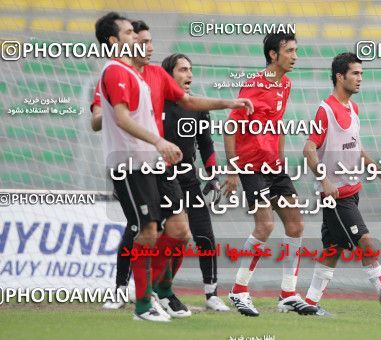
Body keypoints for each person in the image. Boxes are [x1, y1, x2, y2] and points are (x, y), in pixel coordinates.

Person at [93, 14, 252, 321]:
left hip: (155, 163)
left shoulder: (141, 74)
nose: (140, 40)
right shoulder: (114, 71)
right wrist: (159, 141)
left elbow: (187, 102)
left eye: (145, 38)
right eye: (131, 33)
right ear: (114, 40)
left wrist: (228, 103)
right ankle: (142, 304)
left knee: (179, 230)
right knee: (145, 230)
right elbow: (123, 119)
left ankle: (160, 289)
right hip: (130, 162)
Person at [302, 52, 381, 317]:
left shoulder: (353, 108)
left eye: (361, 73)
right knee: (369, 245)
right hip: (337, 196)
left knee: (332, 250)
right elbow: (309, 149)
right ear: (340, 76)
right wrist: (324, 181)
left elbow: (356, 148)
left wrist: (377, 169)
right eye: (355, 73)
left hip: (353, 192)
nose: (360, 78)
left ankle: (310, 303)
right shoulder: (325, 110)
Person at [223, 32, 318, 316]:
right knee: (265, 227)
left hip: (273, 166)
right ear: (273, 55)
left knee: (296, 225)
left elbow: (277, 125)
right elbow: (231, 127)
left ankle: (288, 293)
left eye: (296, 50)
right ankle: (239, 291)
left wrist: (279, 160)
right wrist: (232, 169)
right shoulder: (253, 86)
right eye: (289, 51)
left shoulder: (286, 84)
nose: (295, 56)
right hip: (251, 167)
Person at [161, 53, 230, 312]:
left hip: (189, 179)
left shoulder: (198, 106)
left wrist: (212, 175)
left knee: (205, 236)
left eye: (191, 70)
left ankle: (211, 294)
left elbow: (205, 144)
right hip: (163, 178)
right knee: (170, 238)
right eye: (182, 70)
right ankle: (156, 289)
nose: (189, 75)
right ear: (169, 74)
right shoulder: (157, 105)